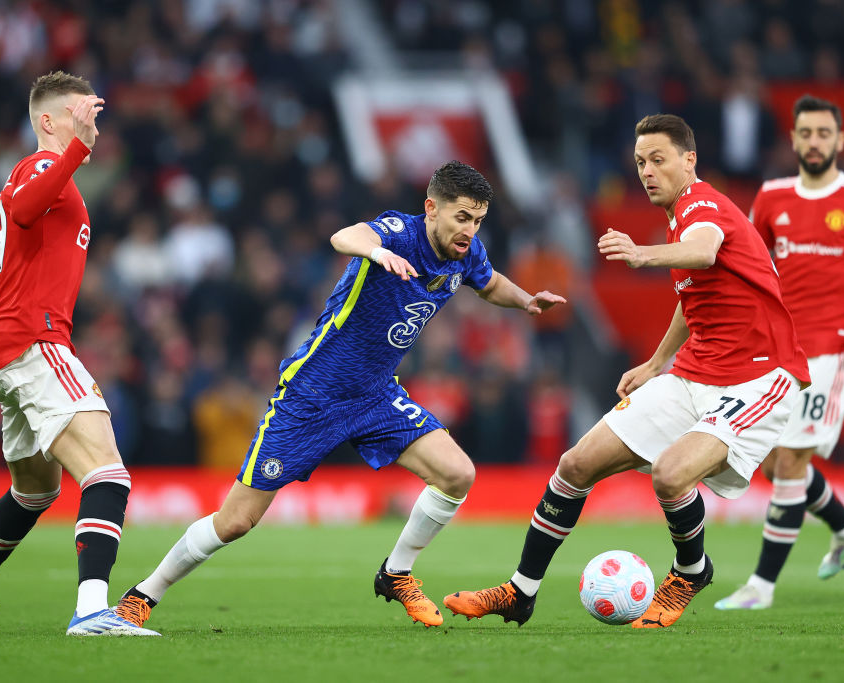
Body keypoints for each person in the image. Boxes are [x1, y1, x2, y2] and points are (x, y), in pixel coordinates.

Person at [112, 161, 566, 630]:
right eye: (462, 217)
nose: (470, 230)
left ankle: (396, 574)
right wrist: (378, 253)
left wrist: (526, 300)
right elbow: (344, 236)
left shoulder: (465, 253)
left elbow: (490, 283)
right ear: (431, 208)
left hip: (375, 396)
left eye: (478, 220)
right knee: (235, 521)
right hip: (313, 394)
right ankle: (141, 596)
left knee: (457, 474)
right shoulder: (399, 233)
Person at [443, 114, 811, 629]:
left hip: (758, 378)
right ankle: (520, 592)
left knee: (671, 475)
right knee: (575, 466)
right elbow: (694, 294)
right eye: (640, 162)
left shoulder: (701, 204)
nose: (647, 171)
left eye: (659, 159)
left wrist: (641, 254)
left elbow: (704, 249)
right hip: (695, 373)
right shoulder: (680, 217)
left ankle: (691, 571)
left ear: (690, 160)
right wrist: (658, 362)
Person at [0, 71, 158, 636]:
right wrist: (75, 151)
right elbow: (29, 208)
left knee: (34, 491)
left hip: (5, 354)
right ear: (48, 121)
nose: (91, 125)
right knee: (108, 473)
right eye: (80, 115)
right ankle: (91, 611)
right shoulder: (39, 171)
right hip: (36, 342)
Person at [715, 95, 844, 611]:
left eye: (824, 133)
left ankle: (761, 586)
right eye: (806, 133)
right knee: (774, 462)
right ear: (794, 139)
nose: (815, 142)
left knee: (790, 460)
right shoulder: (771, 198)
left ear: (841, 139)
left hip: (832, 353)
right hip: (779, 353)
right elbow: (748, 266)